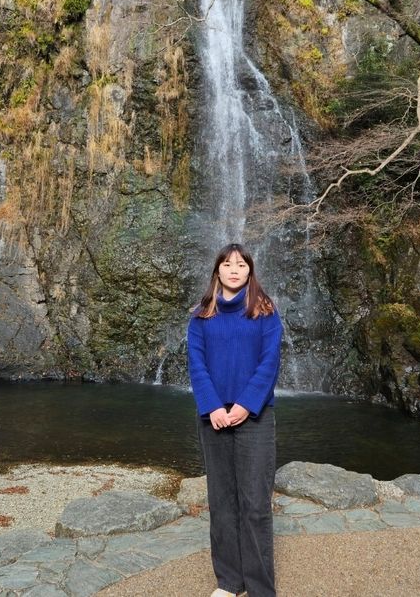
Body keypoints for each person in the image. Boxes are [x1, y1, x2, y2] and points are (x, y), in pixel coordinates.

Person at [187, 242, 283, 597]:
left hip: (254, 416)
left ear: (249, 272)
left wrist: (245, 404)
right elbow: (196, 365)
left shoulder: (265, 312)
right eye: (227, 264)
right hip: (212, 416)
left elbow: (270, 362)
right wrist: (212, 406)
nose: (234, 269)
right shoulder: (201, 316)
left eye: (241, 264)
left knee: (255, 503)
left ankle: (260, 588)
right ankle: (229, 582)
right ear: (217, 271)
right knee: (222, 501)